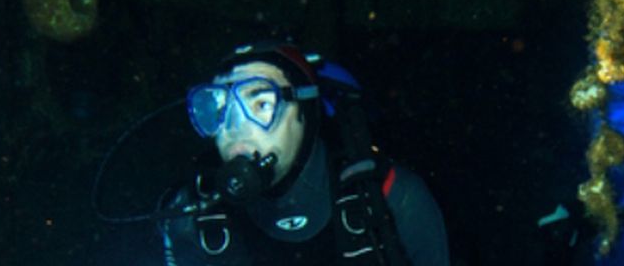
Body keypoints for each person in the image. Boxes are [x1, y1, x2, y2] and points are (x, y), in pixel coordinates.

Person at [158, 41, 449, 265]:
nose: (234, 128)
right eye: (219, 108)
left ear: (305, 112)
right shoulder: (189, 216)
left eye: (261, 104)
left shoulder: (394, 198)